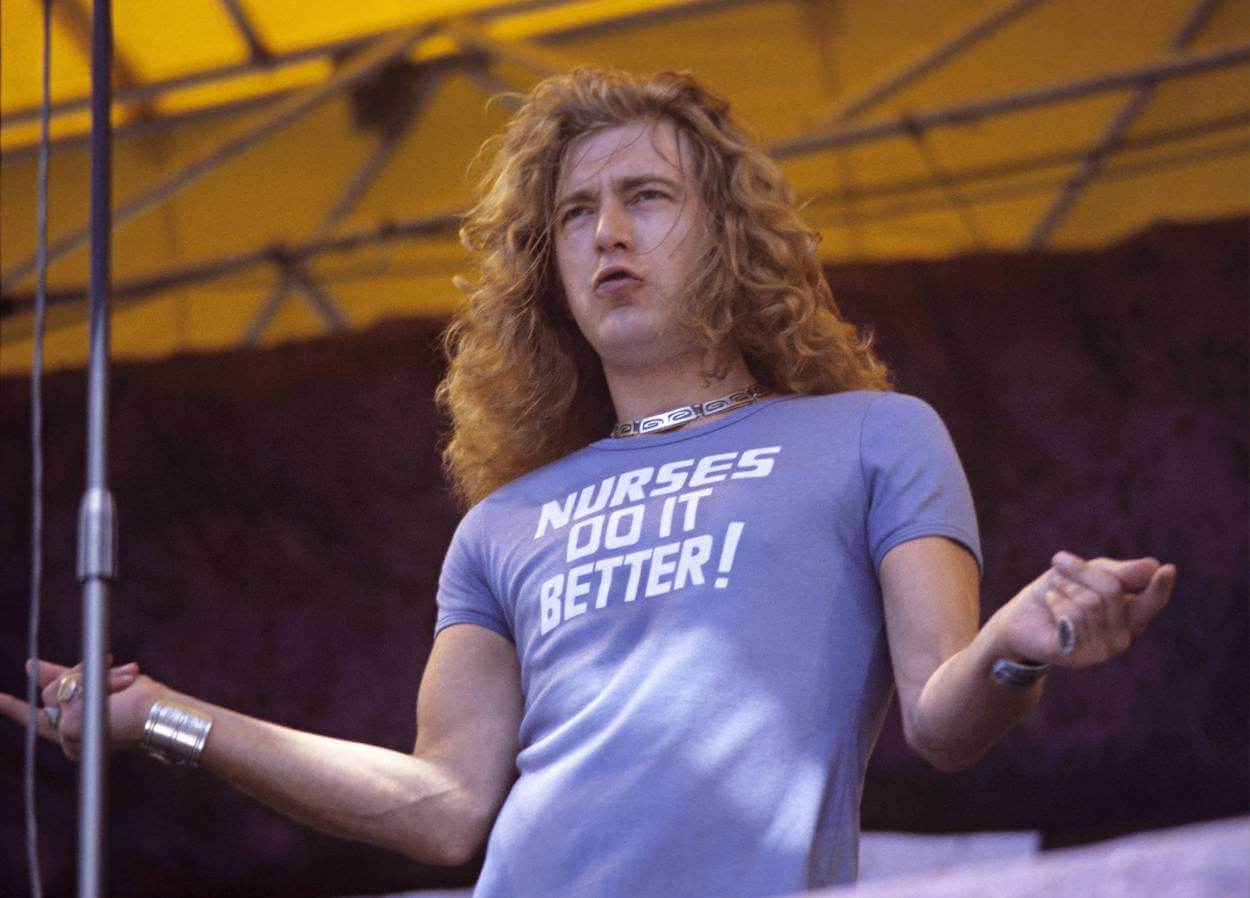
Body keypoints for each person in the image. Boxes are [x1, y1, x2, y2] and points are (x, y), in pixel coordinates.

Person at [1, 69, 1175, 896]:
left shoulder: (874, 436)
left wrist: (1017, 642)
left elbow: (942, 718)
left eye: (645, 198)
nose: (605, 231)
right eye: (573, 213)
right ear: (547, 269)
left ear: (726, 238)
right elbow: (443, 802)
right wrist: (157, 719)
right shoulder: (503, 523)